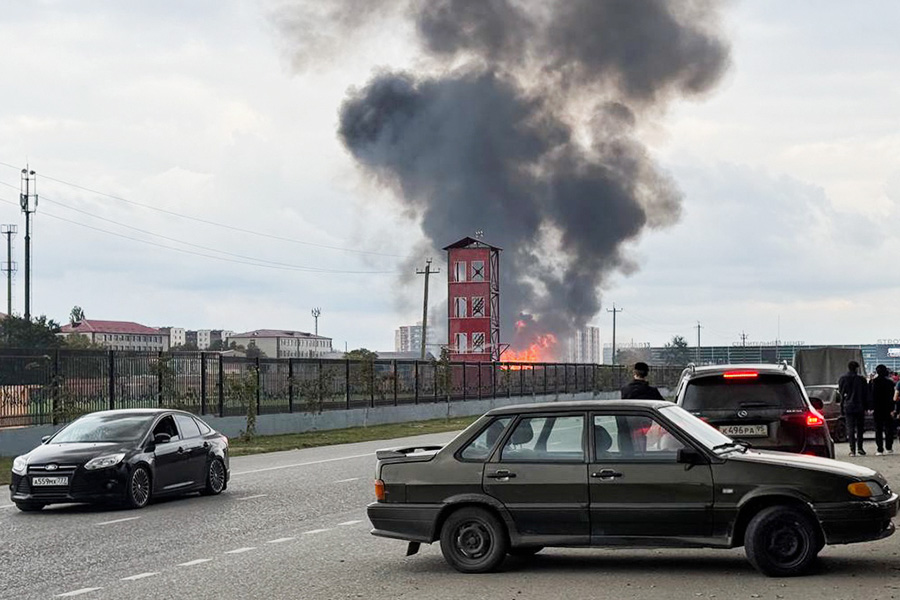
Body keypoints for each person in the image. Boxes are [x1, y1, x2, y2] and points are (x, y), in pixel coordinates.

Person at [838, 360, 871, 457]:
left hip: (848, 407)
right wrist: (867, 406)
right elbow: (866, 394)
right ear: (857, 368)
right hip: (860, 407)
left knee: (850, 429)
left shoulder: (843, 379)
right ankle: (860, 448)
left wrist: (842, 407)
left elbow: (841, 393)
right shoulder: (862, 380)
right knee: (860, 429)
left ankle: (852, 450)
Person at [869, 364, 895, 455]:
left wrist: (871, 407)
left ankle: (880, 449)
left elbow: (871, 396)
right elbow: (892, 397)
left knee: (878, 430)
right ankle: (889, 447)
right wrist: (893, 409)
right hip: (888, 409)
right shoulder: (890, 383)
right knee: (889, 429)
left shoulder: (873, 382)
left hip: (877, 409)